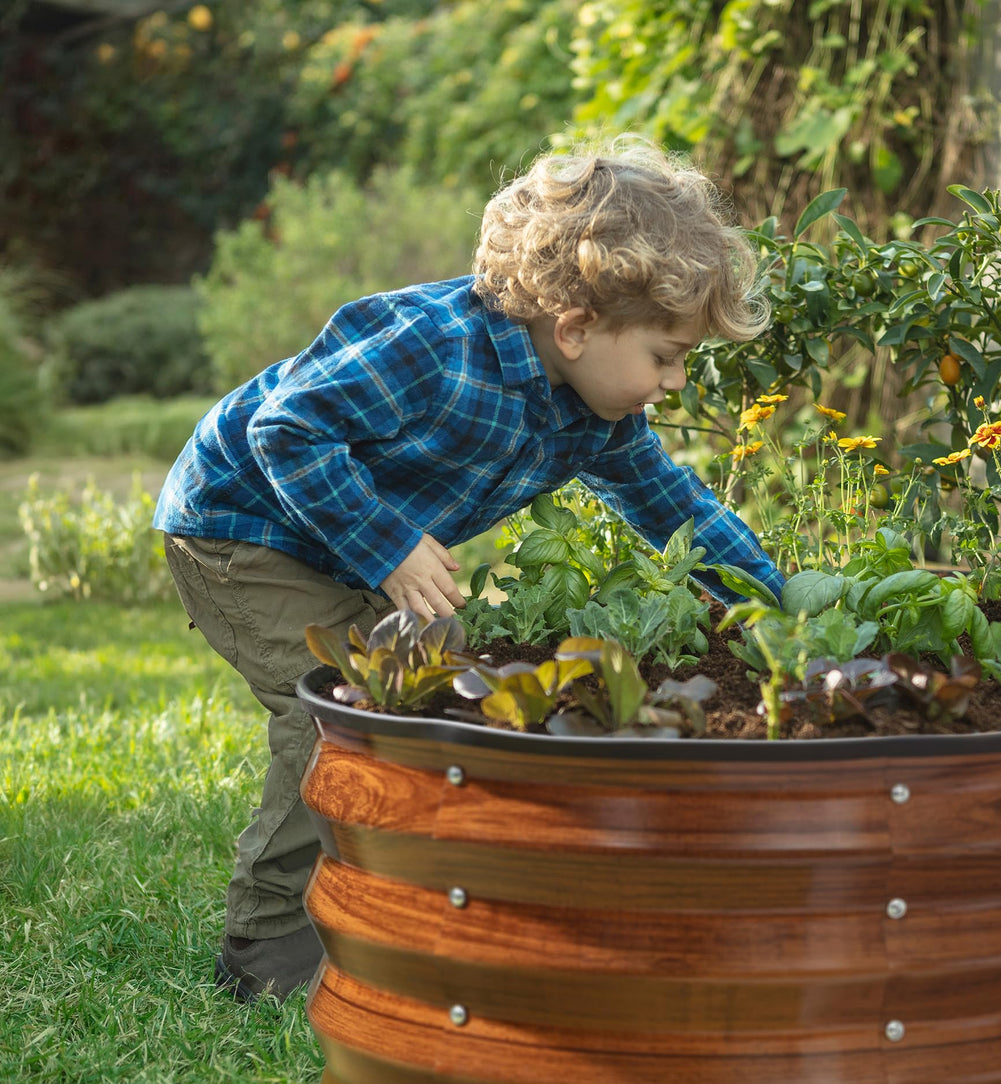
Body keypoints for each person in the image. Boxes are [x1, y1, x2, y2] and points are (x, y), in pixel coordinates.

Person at [154, 137, 785, 1001]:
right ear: (575, 328)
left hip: (338, 532)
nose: (671, 383)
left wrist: (776, 605)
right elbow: (286, 432)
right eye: (665, 356)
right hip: (240, 526)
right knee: (341, 707)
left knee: (433, 676)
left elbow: (675, 510)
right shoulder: (432, 346)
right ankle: (264, 962)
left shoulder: (594, 415)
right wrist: (388, 546)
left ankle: (389, 902)